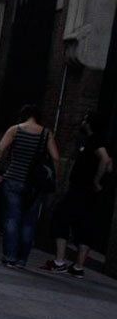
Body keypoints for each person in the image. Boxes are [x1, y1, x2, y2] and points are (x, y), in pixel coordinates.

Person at [42, 112, 113, 278]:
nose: (82, 122)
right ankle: (78, 267)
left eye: (85, 120)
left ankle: (59, 262)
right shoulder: (99, 141)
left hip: (81, 189)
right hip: (88, 192)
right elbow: (109, 164)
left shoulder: (95, 140)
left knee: (60, 217)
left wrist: (96, 180)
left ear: (89, 123)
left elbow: (105, 160)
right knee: (85, 226)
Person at [0, 104, 61, 268]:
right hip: (35, 185)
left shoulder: (15, 129)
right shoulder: (46, 133)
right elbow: (56, 158)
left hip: (13, 179)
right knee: (29, 222)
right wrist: (55, 178)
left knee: (12, 218)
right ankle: (22, 260)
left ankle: (9, 256)